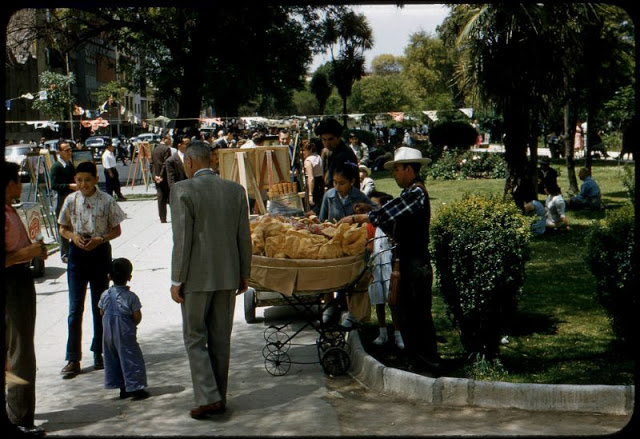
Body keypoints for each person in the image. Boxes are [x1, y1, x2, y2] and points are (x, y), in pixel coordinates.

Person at [169, 141, 251, 419]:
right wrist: (244, 272)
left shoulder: (182, 190)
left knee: (195, 338)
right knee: (220, 338)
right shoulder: (235, 190)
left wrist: (176, 279)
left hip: (196, 277)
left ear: (190, 162)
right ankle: (219, 396)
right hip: (228, 275)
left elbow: (182, 239)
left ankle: (207, 396)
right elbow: (244, 236)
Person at [341, 146, 441, 374]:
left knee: (417, 315)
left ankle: (427, 364)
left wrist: (361, 215)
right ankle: (417, 361)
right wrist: (372, 208)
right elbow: (392, 219)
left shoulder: (416, 193)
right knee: (407, 313)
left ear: (409, 169)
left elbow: (388, 213)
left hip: (415, 263)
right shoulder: (409, 194)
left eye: (396, 169)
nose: (394, 174)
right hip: (408, 261)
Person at [58, 161, 126, 377]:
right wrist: (73, 237)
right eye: (79, 180)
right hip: (77, 257)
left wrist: (101, 239)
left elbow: (117, 230)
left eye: (87, 180)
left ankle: (99, 352)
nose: (83, 184)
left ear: (96, 179)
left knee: (100, 306)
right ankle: (72, 358)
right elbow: (63, 228)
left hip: (99, 254)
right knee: (74, 309)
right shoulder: (71, 200)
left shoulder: (106, 200)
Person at [3, 162, 48, 436]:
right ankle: (19, 417)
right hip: (11, 285)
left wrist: (32, 251)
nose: (21, 186)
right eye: (18, 181)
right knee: (19, 353)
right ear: (9, 183)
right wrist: (24, 254)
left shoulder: (11, 211)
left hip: (18, 281)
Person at [318, 161, 376, 326]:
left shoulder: (360, 197)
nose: (337, 186)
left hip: (354, 247)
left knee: (353, 280)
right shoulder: (329, 196)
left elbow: (377, 211)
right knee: (329, 276)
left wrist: (365, 210)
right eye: (334, 182)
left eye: (341, 183)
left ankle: (352, 313)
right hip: (334, 245)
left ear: (351, 181)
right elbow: (323, 221)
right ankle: (329, 307)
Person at [98, 258, 149, 400]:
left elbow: (101, 312)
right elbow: (137, 316)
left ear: (109, 277)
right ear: (129, 277)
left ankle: (122, 387)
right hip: (124, 331)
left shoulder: (105, 295)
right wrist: (132, 325)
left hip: (108, 333)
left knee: (113, 358)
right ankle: (136, 387)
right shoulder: (131, 297)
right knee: (131, 357)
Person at [366, 191, 404, 349]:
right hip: (376, 263)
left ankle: (398, 333)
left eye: (376, 206)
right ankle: (382, 332)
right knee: (378, 300)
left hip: (388, 263)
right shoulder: (372, 225)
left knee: (393, 300)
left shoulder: (390, 223)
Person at [49, 140, 78, 262]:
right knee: (63, 225)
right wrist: (68, 186)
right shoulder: (57, 167)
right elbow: (54, 185)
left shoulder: (70, 164)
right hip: (61, 198)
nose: (69, 152)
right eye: (66, 150)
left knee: (74, 224)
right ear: (59, 152)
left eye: (70, 150)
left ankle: (75, 250)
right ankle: (65, 254)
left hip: (72, 198)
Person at [315, 118, 359, 190]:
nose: (327, 144)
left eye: (330, 139)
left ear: (338, 137)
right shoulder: (334, 153)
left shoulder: (344, 155)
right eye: (324, 139)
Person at [152, 134, 173, 223]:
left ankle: (162, 218)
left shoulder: (154, 149)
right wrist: (161, 175)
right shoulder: (167, 149)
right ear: (164, 139)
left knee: (160, 198)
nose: (170, 140)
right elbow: (166, 164)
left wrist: (155, 176)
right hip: (165, 177)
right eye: (169, 139)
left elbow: (152, 164)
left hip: (157, 177)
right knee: (170, 197)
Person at [302, 139, 324, 215]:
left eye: (304, 150)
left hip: (313, 186)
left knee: (311, 211)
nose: (303, 153)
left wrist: (310, 194)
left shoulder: (308, 161)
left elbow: (311, 178)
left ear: (310, 149)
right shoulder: (318, 157)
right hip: (320, 183)